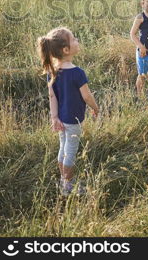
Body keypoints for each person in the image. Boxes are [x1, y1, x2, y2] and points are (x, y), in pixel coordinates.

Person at [37, 26, 99, 197]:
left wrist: (54, 117)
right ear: (66, 50)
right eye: (74, 39)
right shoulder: (78, 73)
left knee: (63, 147)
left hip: (61, 119)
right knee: (70, 150)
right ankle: (67, 185)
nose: (77, 41)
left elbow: (52, 97)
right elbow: (87, 96)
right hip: (73, 121)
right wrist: (96, 108)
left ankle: (63, 180)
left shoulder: (53, 72)